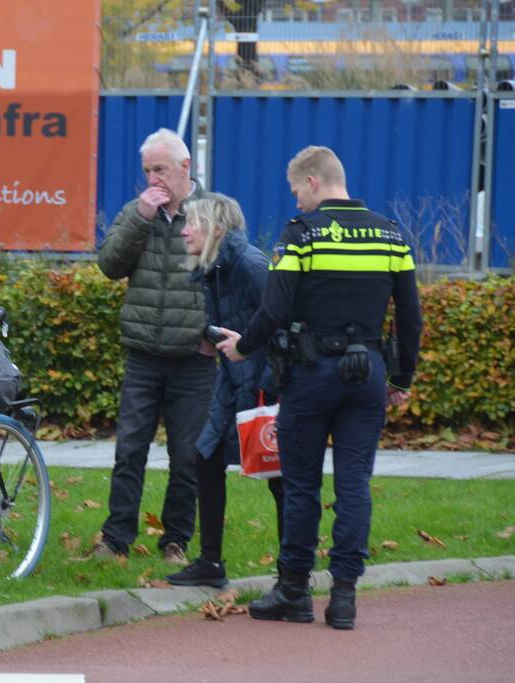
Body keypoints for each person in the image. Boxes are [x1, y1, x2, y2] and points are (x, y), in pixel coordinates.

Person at [216, 146, 422, 629]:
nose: (296, 201)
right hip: (367, 375)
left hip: (310, 375)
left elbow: (274, 309)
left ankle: (294, 591)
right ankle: (344, 596)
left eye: (296, 190)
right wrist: (400, 379)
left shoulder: (301, 234)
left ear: (312, 181)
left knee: (302, 486)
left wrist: (243, 347)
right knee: (354, 485)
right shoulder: (391, 235)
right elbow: (411, 318)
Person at [92, 128, 216, 565]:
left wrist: (212, 338)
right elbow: (109, 265)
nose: (153, 179)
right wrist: (140, 219)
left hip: (194, 359)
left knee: (187, 458)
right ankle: (115, 540)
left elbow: (234, 280)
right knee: (129, 452)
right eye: (147, 171)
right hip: (144, 355)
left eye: (160, 169)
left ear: (185, 167)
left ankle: (175, 541)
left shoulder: (211, 213)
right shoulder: (136, 211)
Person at [164, 193, 285, 588]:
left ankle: (292, 571)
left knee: (279, 475)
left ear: (217, 229)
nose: (184, 231)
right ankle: (210, 563)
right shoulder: (214, 268)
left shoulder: (251, 265)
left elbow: (282, 324)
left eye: (192, 223)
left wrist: (268, 386)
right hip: (232, 381)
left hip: (264, 386)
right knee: (206, 457)